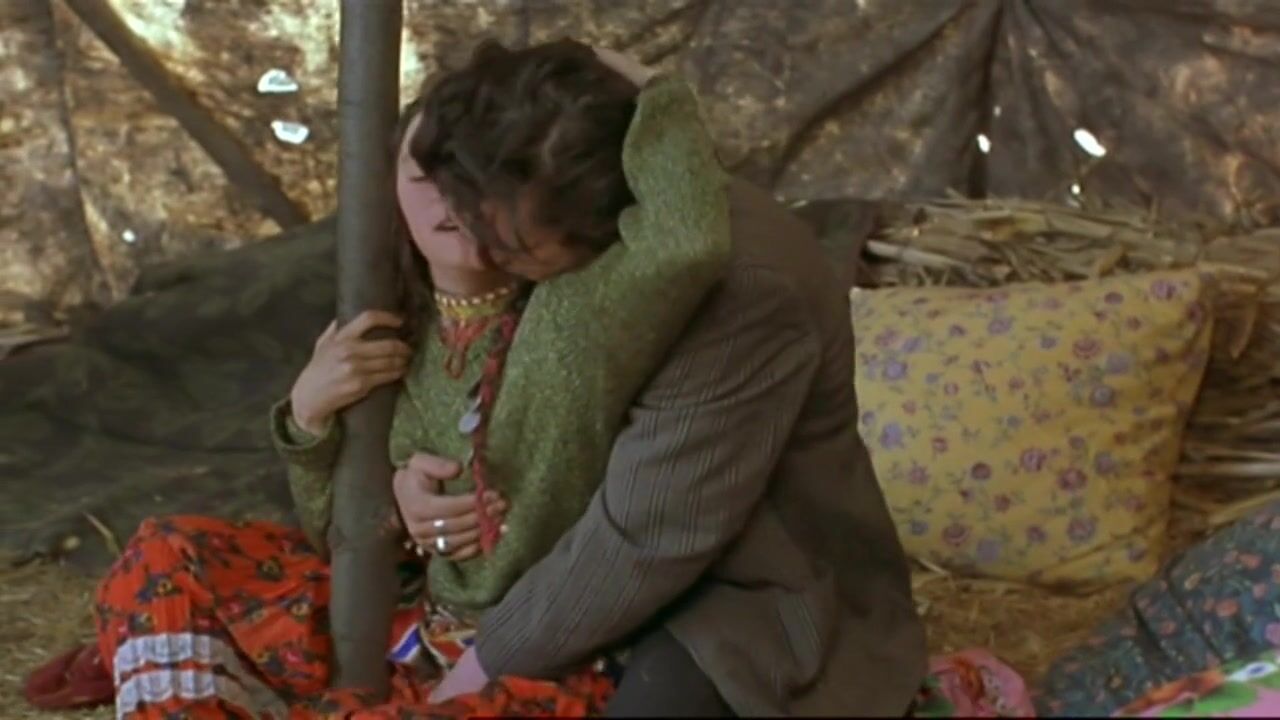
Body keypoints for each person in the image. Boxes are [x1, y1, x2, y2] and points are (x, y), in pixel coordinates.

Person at [24, 39, 927, 718]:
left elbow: (642, 534)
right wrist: (373, 480)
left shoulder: (641, 296)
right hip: (453, 605)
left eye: (491, 217)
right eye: (429, 182)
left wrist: (471, 668)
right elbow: (359, 523)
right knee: (175, 557)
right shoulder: (440, 288)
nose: (460, 221)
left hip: (680, 594)